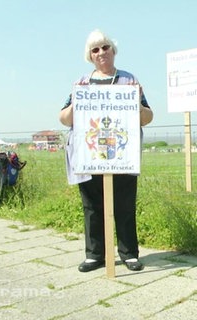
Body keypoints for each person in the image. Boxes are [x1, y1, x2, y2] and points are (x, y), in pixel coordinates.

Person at [59, 29, 153, 272]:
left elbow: (147, 117)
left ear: (113, 50)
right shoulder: (81, 82)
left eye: (105, 47)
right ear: (89, 56)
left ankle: (128, 254)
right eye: (95, 49)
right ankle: (95, 255)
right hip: (90, 153)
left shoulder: (129, 80)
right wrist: (76, 100)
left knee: (124, 205)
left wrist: (137, 101)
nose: (101, 53)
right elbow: (64, 119)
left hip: (121, 155)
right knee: (92, 207)